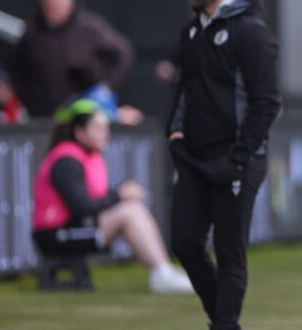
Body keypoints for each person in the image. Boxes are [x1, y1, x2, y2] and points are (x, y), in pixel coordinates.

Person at [167, 0, 282, 330]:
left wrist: (239, 156)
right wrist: (175, 131)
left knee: (230, 251)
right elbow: (186, 88)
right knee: (184, 242)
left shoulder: (251, 33)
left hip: (237, 160)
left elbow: (267, 103)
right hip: (194, 157)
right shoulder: (192, 31)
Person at [32, 99, 193, 293]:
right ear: (80, 132)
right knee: (129, 211)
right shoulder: (66, 160)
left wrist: (121, 194)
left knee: (131, 207)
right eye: (98, 127)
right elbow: (81, 206)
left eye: (106, 127)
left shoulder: (88, 156)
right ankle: (161, 273)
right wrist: (120, 195)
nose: (105, 133)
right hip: (56, 235)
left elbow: (96, 197)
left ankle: (163, 270)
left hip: (76, 228)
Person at [8, 0, 134, 117]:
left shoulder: (88, 27)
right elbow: (16, 69)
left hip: (81, 113)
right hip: (43, 114)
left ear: (69, 4)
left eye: (56, 4)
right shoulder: (32, 33)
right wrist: (27, 99)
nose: (52, 9)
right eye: (47, 4)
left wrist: (108, 86)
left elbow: (123, 51)